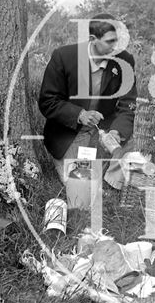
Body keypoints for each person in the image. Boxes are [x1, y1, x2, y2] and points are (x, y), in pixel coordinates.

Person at [38, 13, 137, 188]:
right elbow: (47, 101)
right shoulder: (64, 57)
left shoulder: (124, 60)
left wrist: (116, 132)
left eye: (118, 40)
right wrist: (80, 114)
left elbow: (128, 104)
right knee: (81, 185)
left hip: (105, 131)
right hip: (70, 132)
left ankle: (111, 183)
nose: (116, 47)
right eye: (110, 41)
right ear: (93, 39)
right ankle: (101, 180)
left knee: (134, 148)